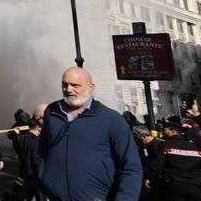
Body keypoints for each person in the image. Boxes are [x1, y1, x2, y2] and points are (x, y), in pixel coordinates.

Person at [38, 66, 141, 201]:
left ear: (91, 87)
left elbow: (131, 167)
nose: (68, 90)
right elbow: (43, 150)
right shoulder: (51, 112)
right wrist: (44, 178)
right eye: (65, 84)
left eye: (75, 85)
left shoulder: (112, 119)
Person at [155, 116, 201, 201]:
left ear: (172, 131)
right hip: (196, 186)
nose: (163, 131)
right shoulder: (194, 147)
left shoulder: (164, 146)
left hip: (175, 186)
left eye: (165, 129)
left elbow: (157, 165)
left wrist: (149, 176)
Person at [132, 124, 164, 201]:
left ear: (142, 136)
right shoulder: (148, 145)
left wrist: (149, 177)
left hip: (156, 179)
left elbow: (157, 164)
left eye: (137, 138)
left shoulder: (157, 146)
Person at [13, 118, 42, 201]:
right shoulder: (37, 141)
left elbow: (17, 149)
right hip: (34, 174)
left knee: (25, 196)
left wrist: (17, 134)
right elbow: (36, 160)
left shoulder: (20, 138)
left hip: (23, 172)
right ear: (38, 127)